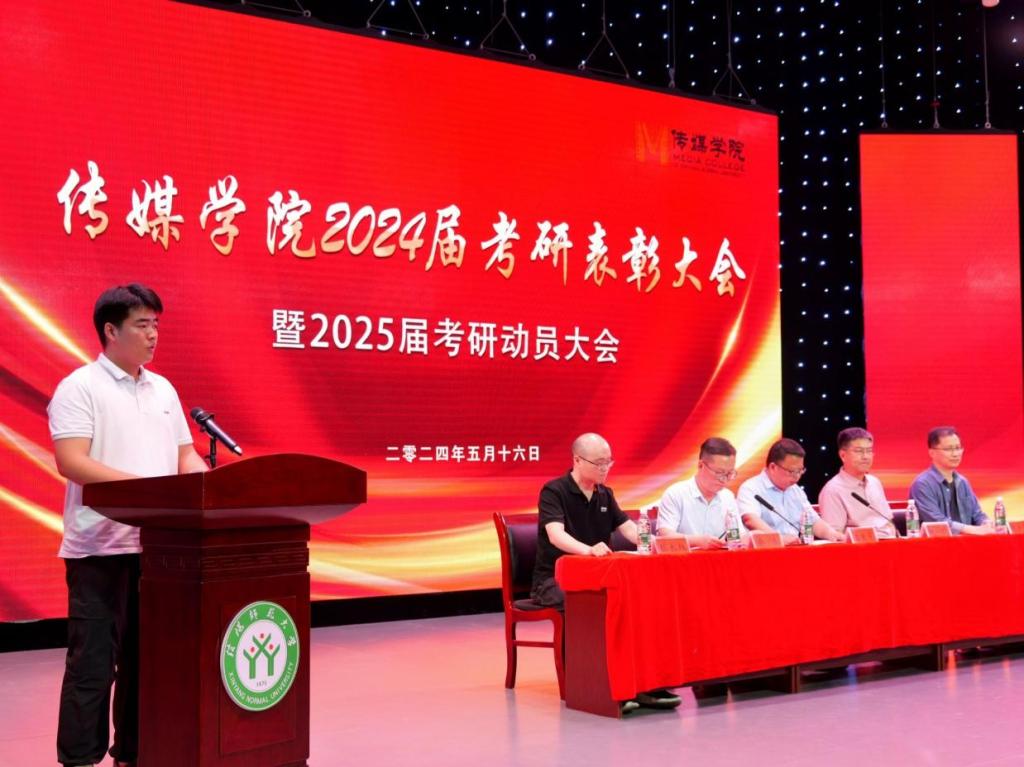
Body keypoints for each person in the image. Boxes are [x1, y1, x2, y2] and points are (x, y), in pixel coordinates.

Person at [48, 284, 208, 767]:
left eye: (156, 324)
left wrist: (210, 487)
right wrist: (147, 490)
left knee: (145, 664)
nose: (153, 334)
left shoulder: (164, 390)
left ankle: (134, 754)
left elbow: (184, 456)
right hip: (99, 549)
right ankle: (79, 760)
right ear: (111, 331)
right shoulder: (80, 387)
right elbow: (72, 461)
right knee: (92, 666)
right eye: (142, 324)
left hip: (158, 552)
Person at [530, 432, 679, 711]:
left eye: (608, 462)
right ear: (577, 460)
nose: (605, 468)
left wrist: (656, 544)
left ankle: (640, 684)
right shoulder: (554, 491)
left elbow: (629, 529)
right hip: (554, 579)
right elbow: (555, 535)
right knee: (586, 604)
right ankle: (591, 686)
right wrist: (588, 550)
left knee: (639, 602)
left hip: (598, 577)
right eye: (599, 463)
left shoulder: (605, 494)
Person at [737, 438, 844, 543]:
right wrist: (779, 539)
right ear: (773, 467)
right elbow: (750, 520)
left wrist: (832, 534)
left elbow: (813, 521)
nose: (797, 476)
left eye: (800, 470)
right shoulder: (751, 488)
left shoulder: (796, 491)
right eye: (792, 471)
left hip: (795, 547)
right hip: (768, 550)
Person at [656, 437, 745, 549]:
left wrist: (749, 537)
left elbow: (738, 535)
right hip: (683, 558)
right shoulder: (676, 494)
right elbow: (665, 536)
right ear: (701, 465)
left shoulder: (727, 496)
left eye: (730, 474)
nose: (724, 480)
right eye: (719, 473)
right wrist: (697, 541)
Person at [909, 426, 993, 535]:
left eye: (958, 448)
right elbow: (937, 522)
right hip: (937, 543)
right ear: (932, 452)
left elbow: (977, 514)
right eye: (948, 449)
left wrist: (986, 523)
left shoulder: (962, 482)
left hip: (967, 542)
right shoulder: (922, 484)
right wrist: (973, 530)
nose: (955, 454)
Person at [817, 427, 897, 538]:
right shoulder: (832, 490)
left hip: (891, 542)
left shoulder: (874, 482)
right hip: (862, 546)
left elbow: (888, 520)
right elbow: (836, 535)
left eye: (869, 451)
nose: (865, 457)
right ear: (843, 455)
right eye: (859, 451)